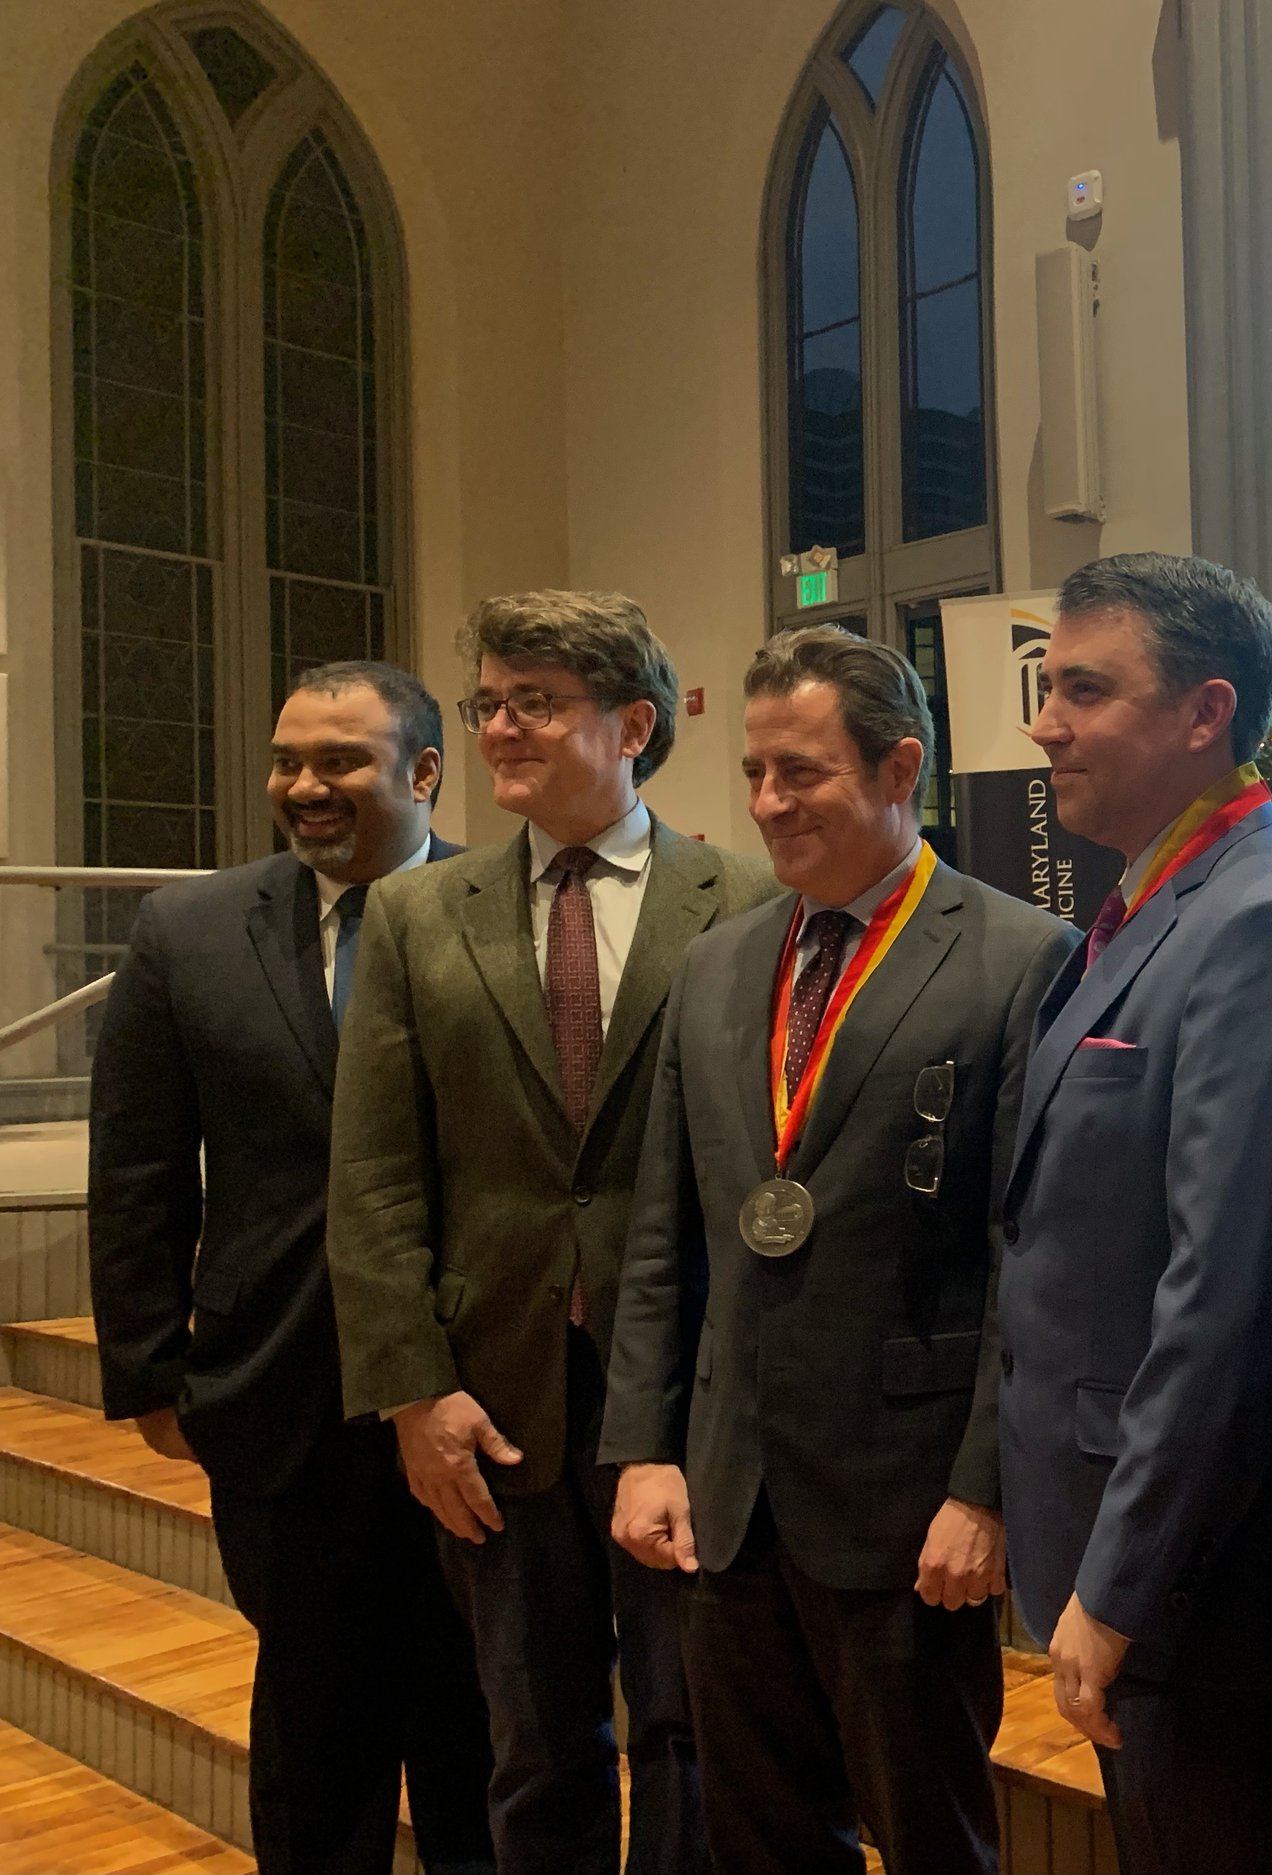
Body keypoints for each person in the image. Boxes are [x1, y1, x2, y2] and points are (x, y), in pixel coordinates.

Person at [601, 626, 1075, 1875]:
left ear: (899, 767)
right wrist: (646, 1447)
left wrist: (984, 1490)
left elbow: (1026, 1255)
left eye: (801, 772)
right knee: (759, 1839)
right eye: (755, 772)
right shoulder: (715, 966)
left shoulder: (1022, 959)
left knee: (931, 1839)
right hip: (730, 1498)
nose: (767, 803)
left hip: (906, 1506)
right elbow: (664, 1234)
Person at [327, 592, 778, 1875]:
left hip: (684, 1395)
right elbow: (373, 1175)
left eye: (536, 702)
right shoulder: (417, 913)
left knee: (694, 1728)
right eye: (489, 703)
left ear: (632, 725)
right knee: (531, 1738)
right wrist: (415, 1392)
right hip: (495, 1398)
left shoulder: (745, 899)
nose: (499, 729)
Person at [999, 554, 1272, 1875]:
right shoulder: (1158, 901)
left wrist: (1122, 1582)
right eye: (1048, 688)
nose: (1044, 724)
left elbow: (1227, 1299)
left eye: (1084, 690)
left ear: (1204, 711)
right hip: (1149, 1562)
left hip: (1210, 1590)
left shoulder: (1266, 922)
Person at [87, 661, 493, 1875]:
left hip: (474, 1396)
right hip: (276, 1396)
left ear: (424, 771)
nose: (305, 785)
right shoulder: (186, 932)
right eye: (287, 761)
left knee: (476, 1727)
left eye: (340, 761)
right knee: (315, 1738)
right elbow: (139, 1168)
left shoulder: (503, 913)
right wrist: (150, 1371)